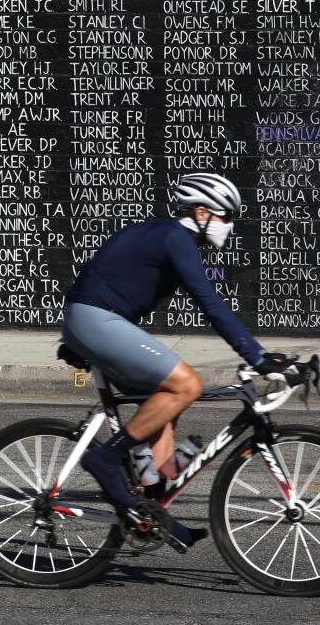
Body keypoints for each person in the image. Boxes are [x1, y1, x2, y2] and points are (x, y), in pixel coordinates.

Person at [63, 173, 294, 549]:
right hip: (95, 319)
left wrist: (74, 336)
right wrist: (256, 356)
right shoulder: (176, 238)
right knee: (187, 384)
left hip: (91, 319)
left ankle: (154, 506)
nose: (228, 227)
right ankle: (106, 459)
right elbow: (210, 303)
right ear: (200, 212)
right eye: (224, 217)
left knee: (164, 405)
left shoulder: (165, 236)